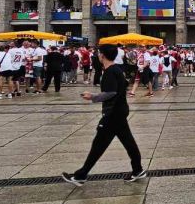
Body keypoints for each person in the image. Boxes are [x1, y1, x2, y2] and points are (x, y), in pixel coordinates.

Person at [62, 44, 146, 186]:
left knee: (99, 144)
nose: (98, 55)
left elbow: (110, 92)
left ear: (103, 55)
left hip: (113, 113)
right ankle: (137, 170)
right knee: (128, 142)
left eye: (99, 53)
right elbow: (122, 86)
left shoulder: (110, 72)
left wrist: (93, 96)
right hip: (120, 110)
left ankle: (81, 175)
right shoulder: (117, 70)